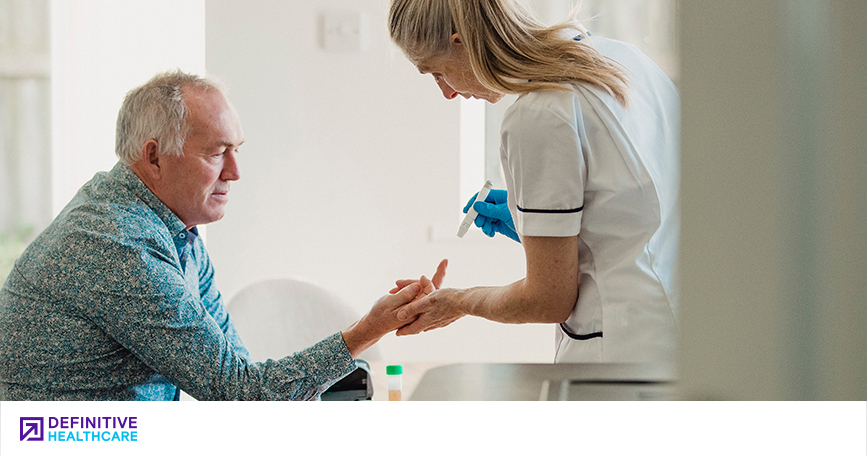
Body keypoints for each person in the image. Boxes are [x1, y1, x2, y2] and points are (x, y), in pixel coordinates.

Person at [0, 70, 445, 400]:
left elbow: (241, 378)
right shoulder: (117, 243)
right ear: (154, 157)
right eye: (217, 153)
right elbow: (239, 397)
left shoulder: (175, 231)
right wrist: (370, 328)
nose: (235, 172)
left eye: (236, 150)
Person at [387, 0, 679, 363]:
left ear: (462, 42)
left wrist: (456, 302)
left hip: (623, 352)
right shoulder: (621, 58)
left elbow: (547, 301)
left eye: (435, 72)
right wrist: (540, 225)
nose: (446, 93)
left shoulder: (537, 115)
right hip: (681, 327)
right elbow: (637, 205)